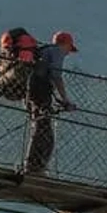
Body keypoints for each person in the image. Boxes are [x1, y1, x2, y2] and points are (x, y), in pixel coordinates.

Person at [23, 30, 78, 174]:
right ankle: (35, 167)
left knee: (40, 127)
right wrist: (66, 99)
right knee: (45, 132)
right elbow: (56, 76)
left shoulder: (44, 51)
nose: (67, 53)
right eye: (69, 49)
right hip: (41, 92)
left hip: (31, 91)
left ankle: (33, 165)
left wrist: (58, 99)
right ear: (65, 44)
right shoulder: (57, 51)